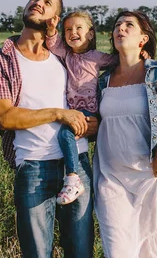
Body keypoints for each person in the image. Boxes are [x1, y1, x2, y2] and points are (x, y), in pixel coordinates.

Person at [0, 0, 96, 258]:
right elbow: (5, 118)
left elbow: (90, 96)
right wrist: (58, 113)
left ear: (56, 18)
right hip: (33, 168)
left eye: (47, 2)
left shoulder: (65, 57)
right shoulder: (0, 61)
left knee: (81, 253)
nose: (38, 2)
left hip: (76, 164)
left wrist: (94, 124)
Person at [93, 10, 157, 257]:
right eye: (117, 25)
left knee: (154, 251)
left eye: (128, 25)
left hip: (151, 176)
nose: (120, 28)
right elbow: (98, 123)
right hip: (112, 178)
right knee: (118, 251)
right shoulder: (103, 81)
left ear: (143, 39)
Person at [45, 11, 118, 205]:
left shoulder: (97, 57)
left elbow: (118, 61)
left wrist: (139, 53)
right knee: (65, 135)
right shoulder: (66, 54)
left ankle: (73, 178)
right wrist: (52, 29)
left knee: (65, 135)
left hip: (89, 109)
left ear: (91, 34)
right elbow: (53, 44)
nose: (73, 32)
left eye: (79, 28)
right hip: (73, 109)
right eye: (68, 29)